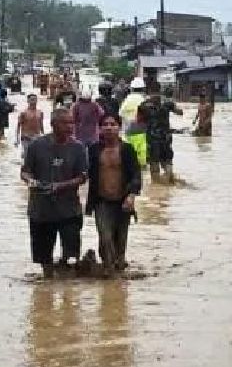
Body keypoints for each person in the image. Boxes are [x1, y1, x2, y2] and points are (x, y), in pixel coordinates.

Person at [21, 108, 88, 278]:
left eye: (71, 122)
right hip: (41, 209)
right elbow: (25, 171)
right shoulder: (36, 145)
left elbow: (82, 177)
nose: (70, 126)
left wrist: (61, 186)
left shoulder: (78, 148)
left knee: (71, 252)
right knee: (44, 256)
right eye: (65, 123)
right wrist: (31, 181)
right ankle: (47, 284)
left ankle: (67, 290)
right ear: (53, 124)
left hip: (69, 209)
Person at [86, 113, 141, 273]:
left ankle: (118, 276)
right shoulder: (94, 150)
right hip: (101, 201)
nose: (109, 128)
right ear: (100, 129)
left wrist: (131, 196)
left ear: (119, 127)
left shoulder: (127, 149)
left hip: (123, 201)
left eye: (113, 124)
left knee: (120, 241)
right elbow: (84, 172)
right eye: (105, 125)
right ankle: (108, 269)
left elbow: (136, 174)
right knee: (105, 237)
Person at [142, 88, 183, 182]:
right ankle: (169, 182)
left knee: (154, 163)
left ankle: (156, 186)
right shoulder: (167, 103)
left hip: (152, 140)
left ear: (149, 93)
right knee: (167, 161)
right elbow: (180, 112)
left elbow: (139, 121)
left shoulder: (144, 105)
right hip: (165, 138)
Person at [119, 77, 148, 167]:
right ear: (143, 88)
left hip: (128, 131)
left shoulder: (127, 100)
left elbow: (120, 114)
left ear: (132, 88)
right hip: (142, 130)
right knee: (142, 154)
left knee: (129, 154)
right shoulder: (145, 100)